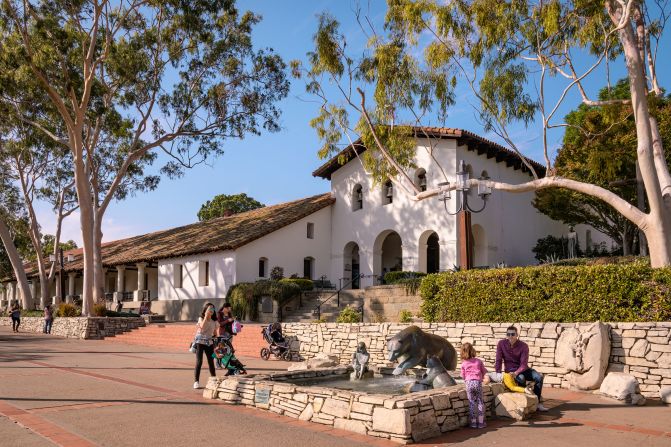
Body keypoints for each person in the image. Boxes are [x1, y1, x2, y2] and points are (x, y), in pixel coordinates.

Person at [495, 325, 548, 411]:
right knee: (521, 379)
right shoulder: (501, 344)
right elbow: (498, 360)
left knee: (539, 377)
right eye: (508, 334)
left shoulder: (523, 346)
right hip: (510, 371)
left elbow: (523, 364)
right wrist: (498, 374)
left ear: (517, 335)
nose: (510, 336)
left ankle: (538, 403)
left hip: (523, 369)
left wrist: (516, 373)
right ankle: (524, 403)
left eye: (512, 334)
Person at [460, 342, 487, 428]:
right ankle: (481, 423)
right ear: (472, 351)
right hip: (477, 382)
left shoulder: (464, 363)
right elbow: (484, 371)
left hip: (469, 383)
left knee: (471, 403)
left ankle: (473, 423)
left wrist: (466, 379)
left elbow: (462, 375)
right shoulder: (478, 361)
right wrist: (483, 377)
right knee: (479, 402)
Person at [193, 302, 217, 389]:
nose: (211, 310)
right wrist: (206, 316)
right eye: (209, 309)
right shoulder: (201, 319)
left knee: (211, 362)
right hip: (200, 342)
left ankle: (214, 380)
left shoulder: (214, 321)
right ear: (205, 310)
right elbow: (202, 328)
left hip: (209, 343)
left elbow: (215, 334)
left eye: (213, 309)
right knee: (199, 362)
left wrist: (216, 341)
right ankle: (196, 381)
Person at [215, 303, 235, 369]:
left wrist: (233, 320)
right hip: (222, 334)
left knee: (227, 350)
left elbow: (231, 323)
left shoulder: (229, 314)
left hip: (229, 334)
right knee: (220, 349)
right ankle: (217, 364)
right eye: (229, 308)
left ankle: (224, 363)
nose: (230, 309)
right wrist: (227, 320)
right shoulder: (220, 314)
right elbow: (219, 324)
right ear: (225, 308)